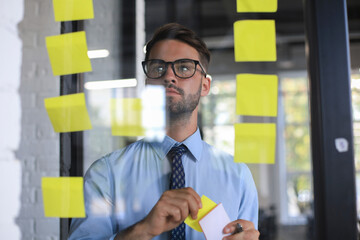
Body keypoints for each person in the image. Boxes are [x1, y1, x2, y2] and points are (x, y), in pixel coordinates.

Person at [69, 23, 259, 240]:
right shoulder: (107, 173)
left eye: (185, 67)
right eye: (158, 68)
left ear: (205, 86)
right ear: (148, 83)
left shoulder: (238, 177)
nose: (169, 76)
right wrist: (144, 229)